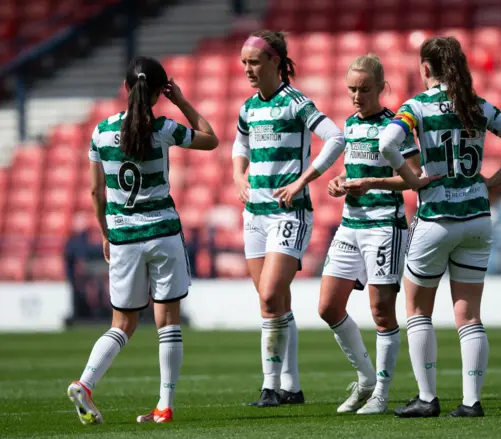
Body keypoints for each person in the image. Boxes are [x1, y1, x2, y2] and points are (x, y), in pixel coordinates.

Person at [378, 37, 501, 418]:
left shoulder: (416, 107)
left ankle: (427, 398)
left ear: (425, 69)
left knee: (417, 309)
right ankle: (471, 402)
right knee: (469, 315)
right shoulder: (477, 106)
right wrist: (491, 182)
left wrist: (413, 179)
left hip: (435, 219)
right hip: (477, 219)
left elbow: (387, 142)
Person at [67, 56, 219, 425]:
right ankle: (163, 406)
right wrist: (181, 100)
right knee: (167, 322)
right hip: (163, 233)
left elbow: (94, 191)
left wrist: (106, 233)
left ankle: (85, 384)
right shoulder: (163, 127)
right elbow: (210, 139)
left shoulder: (101, 132)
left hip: (123, 238)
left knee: (122, 325)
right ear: (156, 93)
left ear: (125, 88)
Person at [232, 30, 346, 407]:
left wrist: (304, 180)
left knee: (269, 295)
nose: (247, 69)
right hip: (254, 215)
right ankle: (291, 388)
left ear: (275, 63)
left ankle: (269, 386)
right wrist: (238, 175)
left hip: (288, 213)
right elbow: (240, 143)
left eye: (254, 62)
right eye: (244, 62)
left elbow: (336, 138)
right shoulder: (249, 108)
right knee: (274, 302)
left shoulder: (295, 102)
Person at [318, 54, 435, 415]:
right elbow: (352, 171)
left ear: (381, 88)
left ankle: (382, 392)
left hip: (385, 224)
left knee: (381, 311)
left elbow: (415, 177)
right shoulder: (350, 124)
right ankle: (366, 378)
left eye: (364, 89)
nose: (356, 96)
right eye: (352, 89)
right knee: (328, 307)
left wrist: (371, 183)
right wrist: (340, 182)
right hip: (351, 224)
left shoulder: (395, 127)